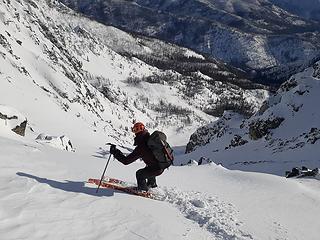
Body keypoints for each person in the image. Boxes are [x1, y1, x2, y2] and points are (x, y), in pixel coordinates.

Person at [109, 122, 164, 191]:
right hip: (160, 165)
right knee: (149, 167)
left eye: (135, 130)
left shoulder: (141, 146)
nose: (134, 132)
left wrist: (115, 152)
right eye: (134, 130)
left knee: (139, 174)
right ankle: (151, 184)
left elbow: (126, 161)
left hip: (157, 168)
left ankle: (143, 191)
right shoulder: (149, 139)